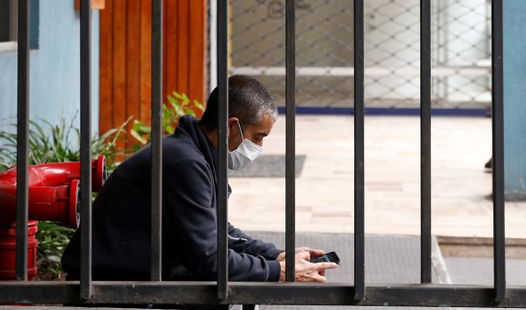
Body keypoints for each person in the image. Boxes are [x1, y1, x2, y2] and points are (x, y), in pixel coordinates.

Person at [62, 75, 336, 284]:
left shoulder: (194, 153)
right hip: (109, 280)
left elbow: (215, 228)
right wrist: (277, 271)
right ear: (231, 126)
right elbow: (209, 259)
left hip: (131, 270)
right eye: (257, 136)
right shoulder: (184, 163)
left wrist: (275, 256)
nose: (259, 147)